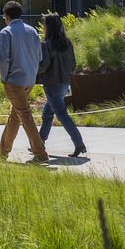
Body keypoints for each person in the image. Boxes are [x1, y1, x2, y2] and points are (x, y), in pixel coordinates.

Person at [0, 0, 49, 163]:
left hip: (14, 81)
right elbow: (40, 56)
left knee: (24, 115)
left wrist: (4, 78)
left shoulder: (6, 32)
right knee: (16, 115)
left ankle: (40, 154)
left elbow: (3, 59)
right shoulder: (32, 31)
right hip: (29, 80)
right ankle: (3, 150)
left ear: (6, 15)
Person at [36, 12, 85, 157]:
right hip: (64, 82)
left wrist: (31, 69)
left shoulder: (46, 44)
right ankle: (38, 143)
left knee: (62, 115)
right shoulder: (67, 43)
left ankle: (79, 143)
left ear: (48, 27)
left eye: (44, 25)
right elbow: (73, 65)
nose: (43, 28)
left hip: (51, 83)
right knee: (47, 113)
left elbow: (43, 66)